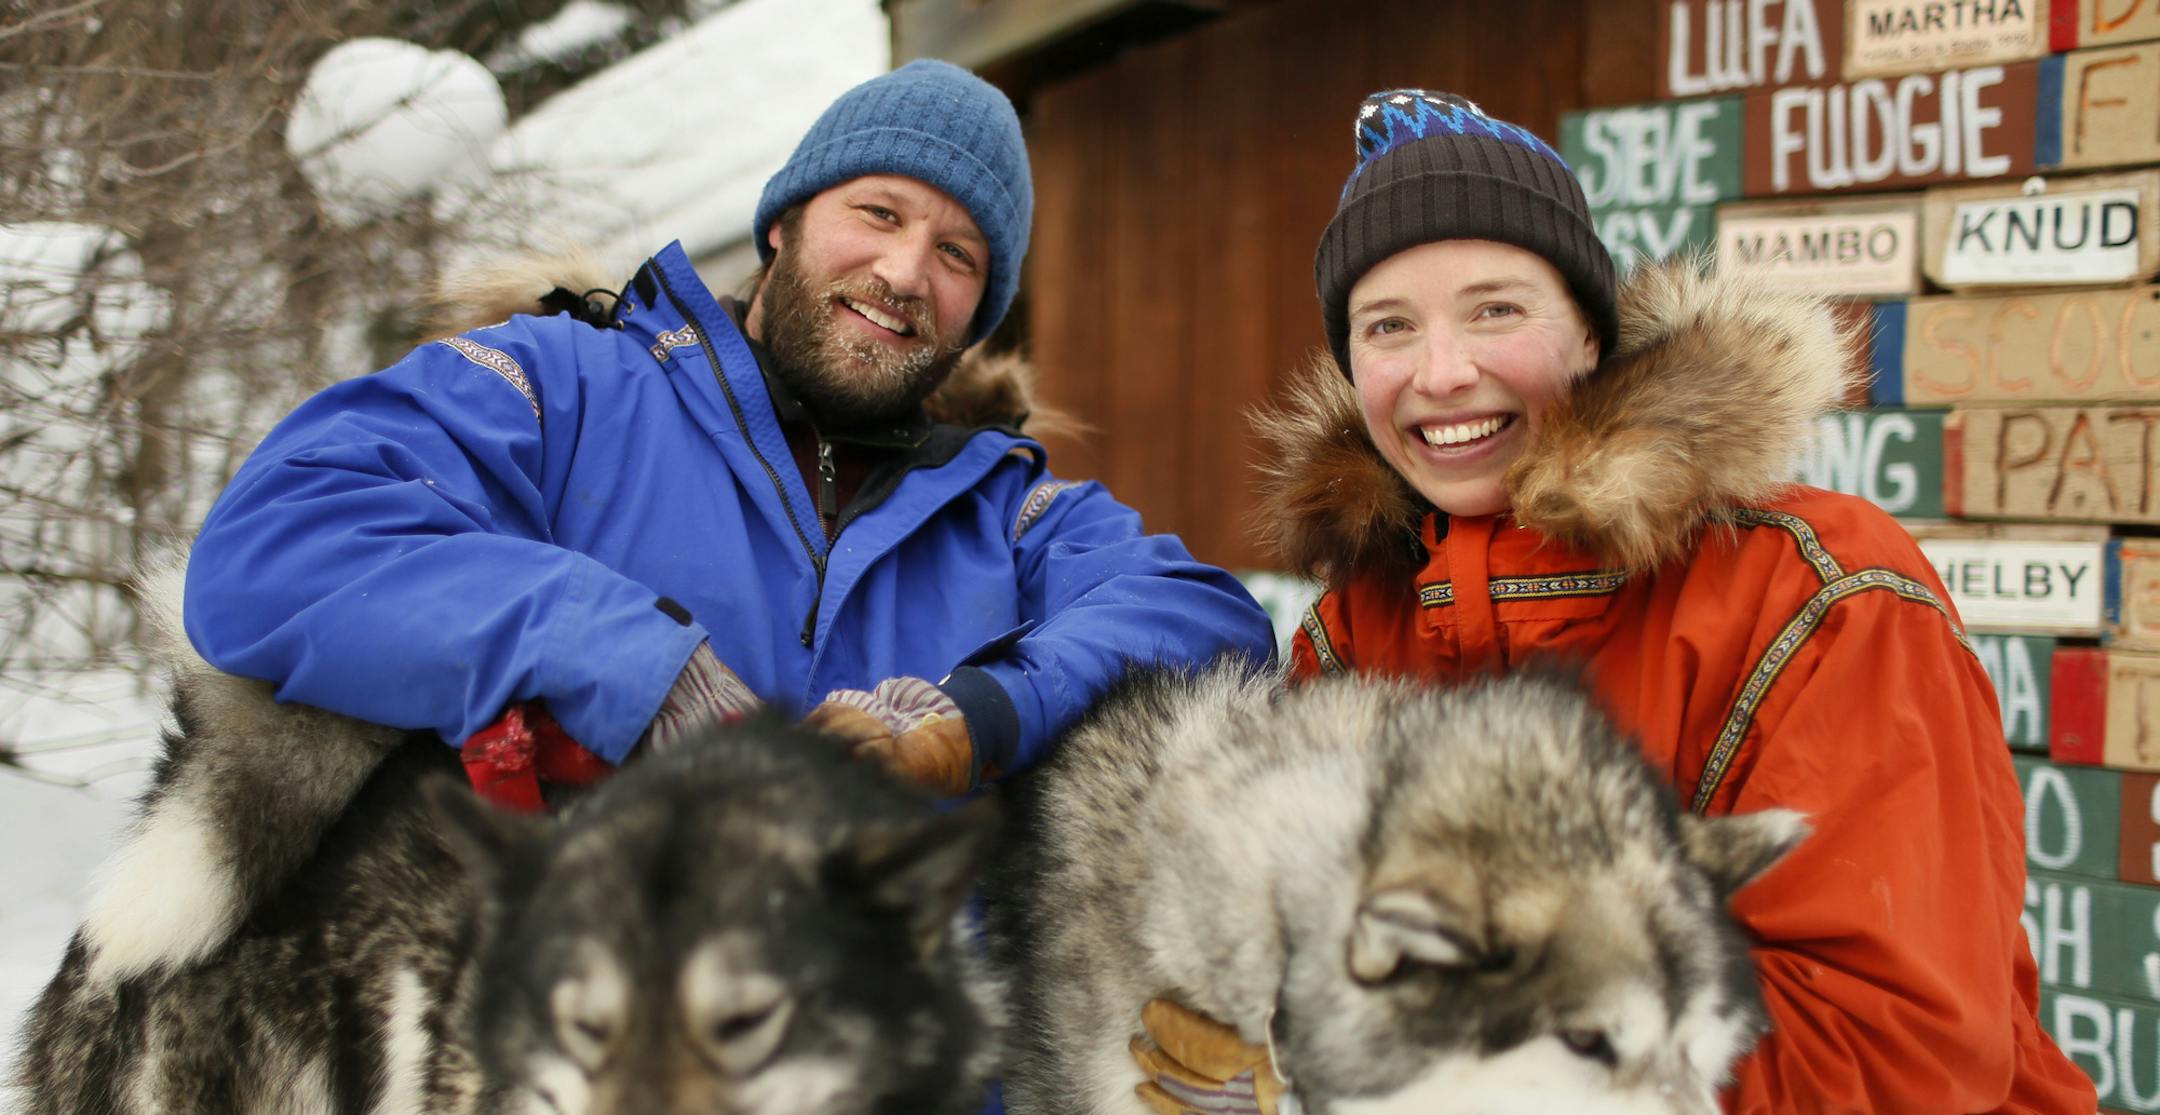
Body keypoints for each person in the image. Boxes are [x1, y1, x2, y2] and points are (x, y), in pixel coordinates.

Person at [1131, 90, 2096, 1114]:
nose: (1443, 372)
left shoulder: (1821, 588)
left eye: (1496, 309)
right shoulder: (1357, 625)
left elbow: (1893, 1051)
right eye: (1389, 326)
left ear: (1590, 336)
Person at [182, 59, 1274, 800]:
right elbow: (275, 542)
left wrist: (981, 712)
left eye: (958, 255)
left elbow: (1208, 620)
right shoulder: (565, 385)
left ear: (976, 313)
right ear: (786, 221)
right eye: (879, 213)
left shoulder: (1007, 510)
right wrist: (631, 664)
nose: (904, 272)